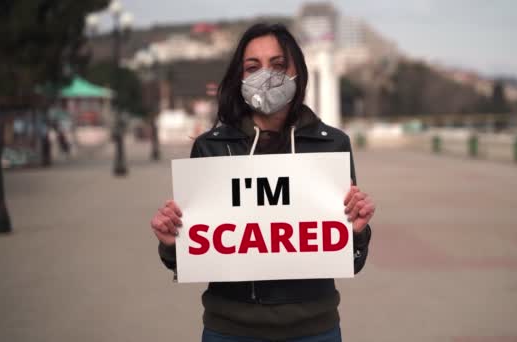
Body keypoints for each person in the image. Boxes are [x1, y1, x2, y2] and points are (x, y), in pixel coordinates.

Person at [150, 23, 375, 342]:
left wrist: (359, 231)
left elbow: (352, 260)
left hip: (314, 328)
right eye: (252, 67)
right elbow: (190, 258)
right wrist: (171, 241)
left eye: (278, 65)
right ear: (239, 78)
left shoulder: (332, 145)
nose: (265, 74)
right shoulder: (210, 147)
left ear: (298, 71)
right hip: (229, 329)